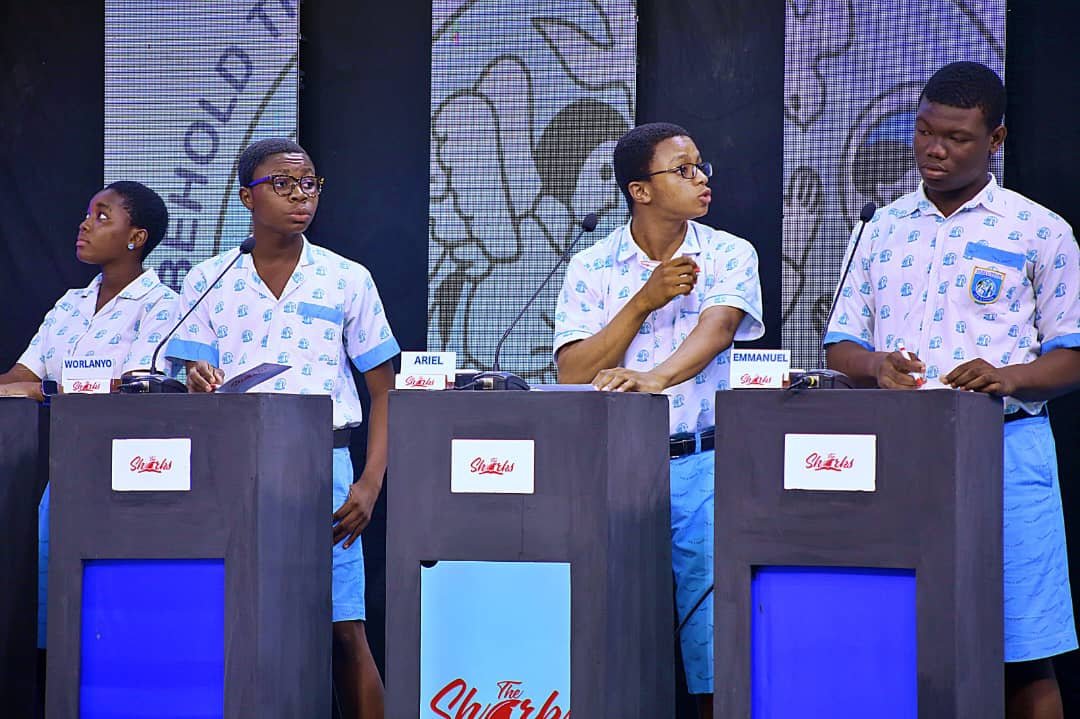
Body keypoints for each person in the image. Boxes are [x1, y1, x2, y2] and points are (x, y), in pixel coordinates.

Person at [825, 62, 1079, 719]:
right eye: (923, 131)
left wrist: (1010, 376)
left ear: (994, 141)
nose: (934, 149)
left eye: (956, 138)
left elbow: (1072, 356)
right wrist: (876, 364)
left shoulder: (1040, 230)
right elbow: (839, 343)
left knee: (1021, 653)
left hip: (1005, 456)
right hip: (898, 459)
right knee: (898, 635)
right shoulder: (877, 228)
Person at [165, 138, 395, 719]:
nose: (300, 195)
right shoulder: (209, 279)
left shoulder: (346, 278)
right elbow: (187, 377)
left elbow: (384, 391)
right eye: (283, 184)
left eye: (310, 183)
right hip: (231, 467)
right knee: (234, 617)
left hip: (327, 467)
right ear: (247, 196)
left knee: (345, 630)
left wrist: (369, 482)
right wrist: (196, 378)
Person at [553, 122, 764, 718]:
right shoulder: (593, 267)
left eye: (701, 167)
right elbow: (574, 371)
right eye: (683, 169)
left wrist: (657, 377)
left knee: (715, 647)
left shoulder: (728, 252)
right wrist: (643, 300)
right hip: (613, 473)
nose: (700, 180)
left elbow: (717, 328)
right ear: (639, 190)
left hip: (705, 463)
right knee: (613, 640)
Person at [0, 180, 178, 651]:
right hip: (61, 473)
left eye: (102, 216)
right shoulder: (69, 304)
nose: (84, 224)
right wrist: (33, 386)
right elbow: (21, 374)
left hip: (123, 476)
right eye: (87, 213)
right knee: (49, 617)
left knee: (101, 622)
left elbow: (136, 385)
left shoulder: (164, 305)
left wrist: (44, 390)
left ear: (135, 237)